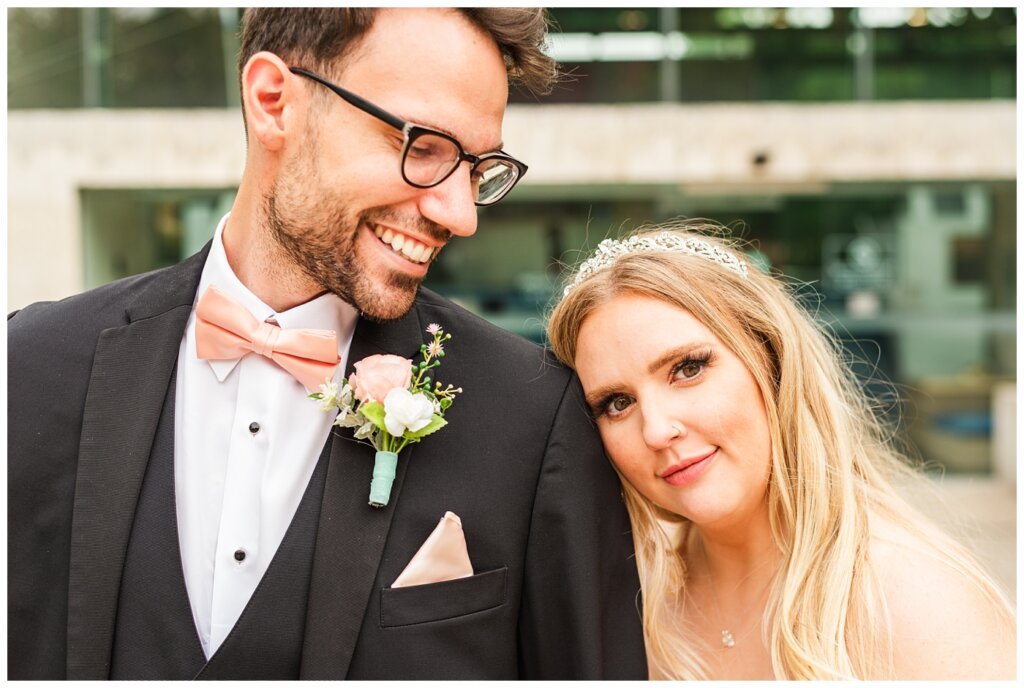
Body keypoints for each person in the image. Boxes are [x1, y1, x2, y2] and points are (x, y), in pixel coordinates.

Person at [7, 9, 646, 680]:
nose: (459, 214)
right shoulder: (29, 368)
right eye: (423, 146)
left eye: (478, 168)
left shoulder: (531, 416)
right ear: (272, 101)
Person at [546, 221, 1015, 680]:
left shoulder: (914, 603)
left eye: (687, 369)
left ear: (771, 360)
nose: (657, 430)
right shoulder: (634, 600)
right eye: (617, 403)